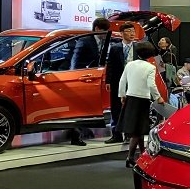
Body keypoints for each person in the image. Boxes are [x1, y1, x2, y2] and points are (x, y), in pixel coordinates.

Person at [118, 41, 164, 168]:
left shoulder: (130, 64)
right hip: (142, 100)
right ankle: (130, 158)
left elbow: (122, 81)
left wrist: (122, 95)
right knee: (137, 131)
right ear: (150, 54)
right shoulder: (150, 67)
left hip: (130, 98)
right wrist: (158, 97)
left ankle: (142, 154)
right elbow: (151, 85)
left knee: (137, 130)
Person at [69, 17, 111, 146]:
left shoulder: (103, 42)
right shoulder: (85, 41)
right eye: (104, 31)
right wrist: (74, 77)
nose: (106, 34)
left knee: (87, 107)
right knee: (78, 108)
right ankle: (76, 136)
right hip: (81, 79)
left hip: (94, 79)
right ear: (97, 28)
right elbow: (75, 60)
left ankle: (84, 130)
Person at [105, 22, 137, 143]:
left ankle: (129, 134)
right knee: (116, 108)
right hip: (117, 81)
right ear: (122, 34)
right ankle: (116, 135)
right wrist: (108, 80)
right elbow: (110, 65)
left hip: (133, 82)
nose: (132, 33)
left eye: (133, 31)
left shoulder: (138, 47)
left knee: (131, 108)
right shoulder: (115, 48)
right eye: (128, 31)